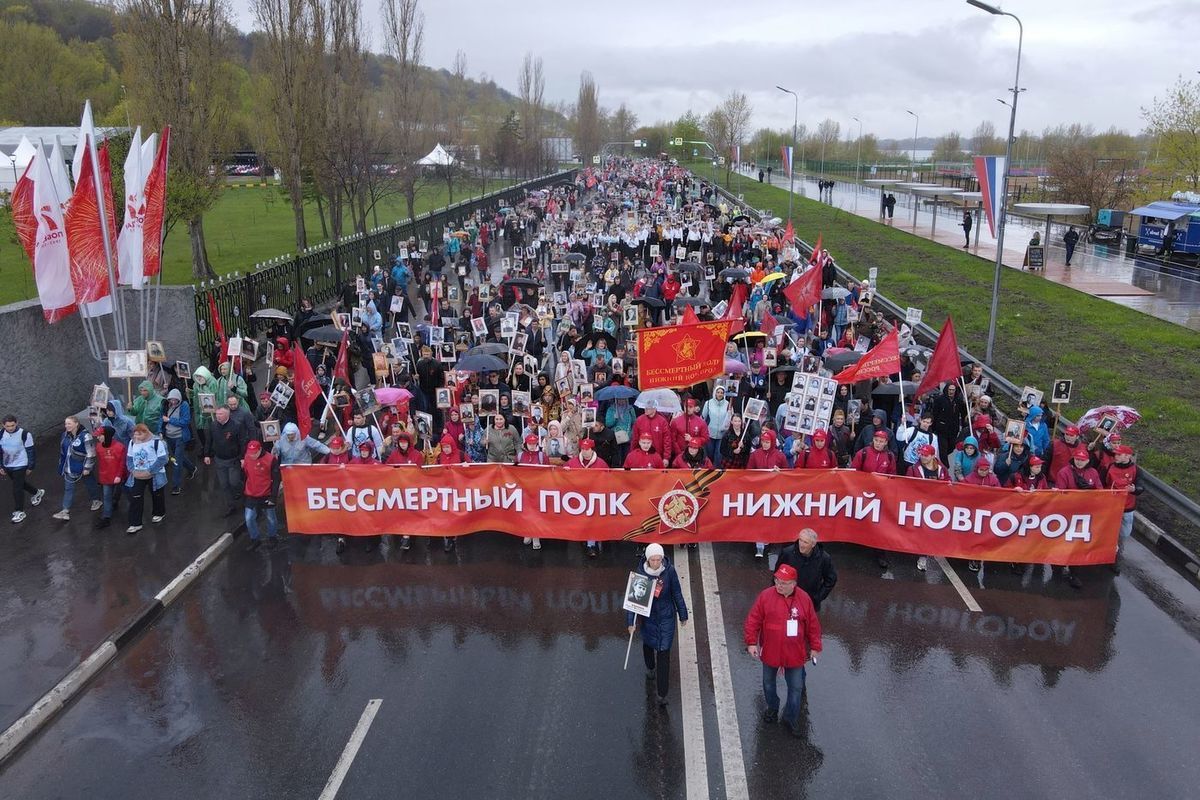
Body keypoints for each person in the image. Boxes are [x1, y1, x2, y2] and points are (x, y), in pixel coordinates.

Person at [743, 563, 822, 738]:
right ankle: (772, 707)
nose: (778, 584)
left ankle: (790, 718)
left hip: (794, 654)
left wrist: (816, 647)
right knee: (768, 683)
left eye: (783, 582)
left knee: (795, 688)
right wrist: (751, 642)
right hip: (771, 652)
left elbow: (813, 626)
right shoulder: (765, 596)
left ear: (794, 584)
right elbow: (753, 620)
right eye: (777, 580)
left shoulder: (804, 599)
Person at [625, 543, 688, 708]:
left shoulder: (669, 571)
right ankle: (650, 666)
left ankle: (662, 693)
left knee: (664, 653)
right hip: (648, 618)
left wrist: (683, 614)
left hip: (666, 617)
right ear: (648, 559)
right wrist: (630, 622)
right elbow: (633, 602)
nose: (655, 563)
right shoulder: (640, 575)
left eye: (658, 559)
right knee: (648, 644)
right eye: (652, 560)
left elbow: (677, 593)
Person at [774, 529, 837, 612]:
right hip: (788, 598)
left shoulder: (824, 558)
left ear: (813, 544)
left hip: (809, 601)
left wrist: (818, 597)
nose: (801, 545)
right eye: (800, 540)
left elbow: (831, 580)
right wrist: (777, 595)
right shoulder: (787, 553)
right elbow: (777, 574)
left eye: (805, 542)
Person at [566, 438, 609, 557]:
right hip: (577, 498)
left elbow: (608, 480)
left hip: (594, 498)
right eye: (583, 449)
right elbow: (563, 477)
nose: (585, 452)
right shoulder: (573, 462)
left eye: (587, 449)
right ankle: (583, 538)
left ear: (592, 450)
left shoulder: (601, 463)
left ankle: (591, 545)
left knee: (592, 520)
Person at [1103, 445, 1142, 572]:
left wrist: (1134, 489)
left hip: (1127, 508)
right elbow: (1103, 483)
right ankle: (1110, 559)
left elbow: (1141, 487)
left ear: (1128, 456)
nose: (1116, 456)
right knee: (1109, 534)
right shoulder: (1110, 466)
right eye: (1116, 454)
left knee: (1123, 535)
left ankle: (1116, 555)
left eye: (1119, 455)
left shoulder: (1136, 470)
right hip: (1111, 506)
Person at [204, 406, 249, 517]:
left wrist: (243, 458)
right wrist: (207, 454)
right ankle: (231, 506)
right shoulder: (213, 425)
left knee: (234, 481)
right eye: (217, 414)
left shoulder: (236, 426)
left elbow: (242, 442)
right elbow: (209, 440)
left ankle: (247, 494)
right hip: (219, 460)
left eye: (220, 414)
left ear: (227, 415)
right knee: (224, 484)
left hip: (233, 460)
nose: (218, 416)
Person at [53, 416, 99, 521]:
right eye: (65, 424)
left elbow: (91, 453)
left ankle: (96, 499)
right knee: (68, 488)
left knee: (90, 483)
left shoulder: (86, 436)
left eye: (69, 424)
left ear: (76, 424)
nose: (66, 426)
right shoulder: (64, 435)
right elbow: (63, 452)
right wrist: (62, 465)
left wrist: (87, 468)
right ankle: (65, 510)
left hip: (82, 467)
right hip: (69, 467)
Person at [125, 423, 168, 535]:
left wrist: (150, 471)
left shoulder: (157, 442)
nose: (136, 438)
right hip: (138, 474)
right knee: (136, 497)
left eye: (139, 435)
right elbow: (129, 458)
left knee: (156, 494)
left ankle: (159, 512)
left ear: (146, 433)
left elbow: (163, 458)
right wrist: (133, 470)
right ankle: (135, 523)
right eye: (135, 435)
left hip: (154, 474)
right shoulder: (132, 443)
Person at [1, 415, 44, 524]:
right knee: (20, 484)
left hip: (21, 464)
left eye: (12, 425)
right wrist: (1, 466)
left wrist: (30, 466)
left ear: (17, 423)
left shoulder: (25, 434)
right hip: (8, 465)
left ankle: (19, 511)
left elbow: (30, 451)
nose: (10, 428)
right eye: (7, 426)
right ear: (3, 425)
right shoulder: (1, 434)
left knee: (17, 488)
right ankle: (37, 492)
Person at [242, 440, 282, 551]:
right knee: (249, 518)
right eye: (250, 453)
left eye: (254, 453)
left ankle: (272, 537)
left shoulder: (270, 460)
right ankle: (255, 539)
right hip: (251, 494)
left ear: (260, 450)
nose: (252, 455)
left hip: (266, 494)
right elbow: (246, 474)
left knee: (271, 518)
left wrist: (273, 497)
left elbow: (276, 479)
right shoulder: (247, 457)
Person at [162, 389, 197, 496]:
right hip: (169, 436)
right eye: (171, 399)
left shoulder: (184, 406)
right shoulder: (166, 405)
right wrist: (160, 431)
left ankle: (176, 486)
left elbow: (185, 421)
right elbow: (161, 419)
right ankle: (192, 468)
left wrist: (169, 420)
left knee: (176, 461)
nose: (173, 402)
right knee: (179, 457)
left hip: (180, 437)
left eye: (175, 399)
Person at [93, 426, 127, 529]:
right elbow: (100, 463)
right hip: (106, 476)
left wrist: (119, 475)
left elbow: (122, 464)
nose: (98, 438)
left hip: (118, 476)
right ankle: (106, 517)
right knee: (106, 496)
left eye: (100, 435)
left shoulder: (119, 447)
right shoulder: (98, 447)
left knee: (119, 491)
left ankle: (116, 501)